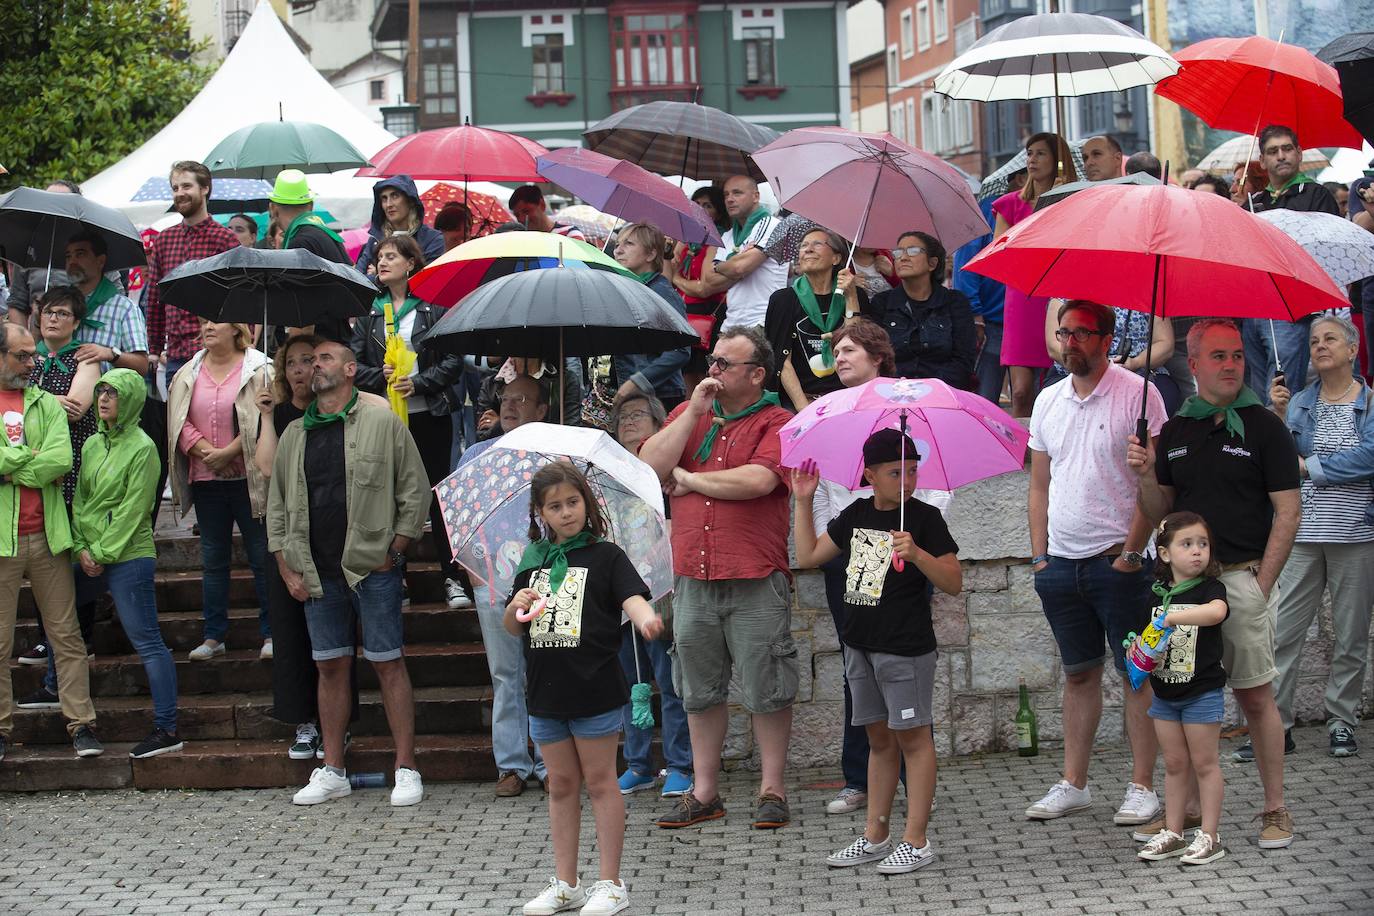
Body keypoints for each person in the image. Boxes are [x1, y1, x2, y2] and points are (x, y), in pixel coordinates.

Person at [1128, 318, 1300, 850]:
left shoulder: (1265, 426)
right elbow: (1161, 513)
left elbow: (1288, 511)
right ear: (1194, 363)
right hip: (1183, 593)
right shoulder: (1176, 430)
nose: (1231, 365)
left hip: (1241, 580)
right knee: (1182, 696)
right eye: (1218, 357)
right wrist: (1143, 472)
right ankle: (1186, 814)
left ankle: (1274, 809)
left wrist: (1262, 584)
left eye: (1236, 356)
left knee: (1255, 698)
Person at [639, 327, 797, 830]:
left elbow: (758, 481)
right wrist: (691, 411)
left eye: (725, 364)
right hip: (693, 576)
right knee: (698, 690)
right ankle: (705, 791)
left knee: (767, 684)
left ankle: (772, 788)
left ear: (757, 374)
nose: (713, 371)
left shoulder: (777, 420)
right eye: (712, 361)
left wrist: (686, 480)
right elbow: (648, 465)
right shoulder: (689, 416)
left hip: (753, 573)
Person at [794, 427, 960, 875]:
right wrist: (802, 500)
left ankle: (916, 839)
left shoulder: (924, 519)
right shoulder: (855, 514)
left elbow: (953, 581)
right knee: (878, 741)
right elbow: (809, 554)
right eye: (894, 472)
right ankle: (875, 834)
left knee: (914, 739)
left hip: (904, 648)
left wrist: (920, 555)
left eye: (912, 470)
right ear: (869, 474)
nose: (906, 480)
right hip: (860, 644)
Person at [270, 340, 429, 808]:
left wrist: (397, 549)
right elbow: (277, 506)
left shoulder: (381, 420)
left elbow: (414, 488)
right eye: (307, 361)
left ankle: (407, 767)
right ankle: (334, 768)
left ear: (349, 368)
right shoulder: (295, 433)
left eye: (322, 358)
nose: (312, 366)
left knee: (387, 662)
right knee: (329, 665)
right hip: (317, 572)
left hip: (371, 569)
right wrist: (285, 566)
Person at [1025, 300, 1166, 827]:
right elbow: (1039, 484)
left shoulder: (1141, 394)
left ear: (1108, 339)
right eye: (1065, 333)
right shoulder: (1046, 400)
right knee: (1078, 675)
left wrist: (1133, 552)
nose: (1071, 342)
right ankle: (1074, 783)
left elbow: (1152, 489)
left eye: (1083, 333)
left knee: (1137, 675)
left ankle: (1142, 786)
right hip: (1061, 562)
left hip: (1120, 562)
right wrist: (1039, 556)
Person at [506, 462, 664, 916]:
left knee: (599, 783)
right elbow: (512, 628)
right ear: (540, 511)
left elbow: (631, 596)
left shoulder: (606, 555)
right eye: (555, 506)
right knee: (560, 786)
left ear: (586, 503)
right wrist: (515, 604)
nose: (566, 512)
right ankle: (566, 884)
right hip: (545, 692)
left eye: (572, 502)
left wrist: (644, 618)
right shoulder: (532, 560)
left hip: (594, 688)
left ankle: (612, 883)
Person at [254, 336, 382, 758]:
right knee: (294, 639)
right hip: (292, 541)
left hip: (337, 547)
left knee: (339, 646)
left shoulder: (345, 409)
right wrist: (267, 418)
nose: (302, 368)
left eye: (311, 360)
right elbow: (268, 468)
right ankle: (306, 724)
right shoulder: (284, 416)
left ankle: (339, 727)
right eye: (293, 362)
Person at [1268, 315, 1373, 759]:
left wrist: (1311, 467)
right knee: (1283, 634)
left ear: (1352, 350)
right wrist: (1276, 418)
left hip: (1356, 535)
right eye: (1313, 340)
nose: (1319, 345)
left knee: (1350, 637)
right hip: (1304, 534)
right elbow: (1278, 460)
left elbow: (1369, 456)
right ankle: (1277, 726)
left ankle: (1342, 721)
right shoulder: (1299, 403)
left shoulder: (1369, 404)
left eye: (1330, 339)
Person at [350, 235, 469, 611]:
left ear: (410, 264)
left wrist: (417, 382)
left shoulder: (432, 309)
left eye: (390, 257)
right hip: (387, 419)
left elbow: (452, 362)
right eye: (378, 257)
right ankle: (394, 578)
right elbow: (355, 365)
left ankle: (453, 578)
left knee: (436, 496)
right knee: (388, 499)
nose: (381, 263)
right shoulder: (370, 312)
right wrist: (378, 374)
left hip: (429, 415)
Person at [0, 322, 102, 761]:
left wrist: (9, 468)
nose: (32, 363)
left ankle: (82, 725)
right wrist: (33, 460)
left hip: (47, 534)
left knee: (67, 636)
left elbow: (62, 459)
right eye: (22, 355)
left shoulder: (43, 402)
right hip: (1, 542)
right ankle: (1, 731)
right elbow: (45, 462)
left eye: (32, 355)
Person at [72, 369, 183, 759]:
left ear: (132, 399)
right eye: (100, 391)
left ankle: (167, 727)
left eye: (113, 393)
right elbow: (82, 500)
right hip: (91, 552)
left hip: (130, 556)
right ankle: (62, 702)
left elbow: (135, 510)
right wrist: (83, 546)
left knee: (147, 641)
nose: (103, 398)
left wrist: (99, 552)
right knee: (64, 634)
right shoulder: (90, 445)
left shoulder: (142, 447)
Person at [460, 371, 553, 796]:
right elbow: (461, 515)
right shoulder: (478, 454)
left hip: (548, 573)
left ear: (542, 409)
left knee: (548, 668)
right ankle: (511, 764)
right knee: (505, 672)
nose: (511, 405)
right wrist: (473, 568)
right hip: (493, 574)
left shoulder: (555, 455)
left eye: (523, 398)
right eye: (507, 398)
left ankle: (552, 761)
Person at [12, 287, 103, 686]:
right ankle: (46, 640)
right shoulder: (28, 359)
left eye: (63, 313)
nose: (54, 319)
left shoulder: (83, 357)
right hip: (36, 468)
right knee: (44, 559)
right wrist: (52, 404)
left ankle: (76, 641)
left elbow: (76, 408)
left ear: (76, 321)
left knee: (68, 559)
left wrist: (38, 407)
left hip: (72, 467)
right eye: (48, 311)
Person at [142, 161, 241, 527]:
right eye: (175, 188)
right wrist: (153, 350)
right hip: (177, 352)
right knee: (184, 433)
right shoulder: (164, 240)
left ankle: (224, 507)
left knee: (222, 425)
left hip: (220, 351)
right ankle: (198, 506)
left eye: (187, 186)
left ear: (205, 190)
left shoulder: (225, 239)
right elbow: (155, 299)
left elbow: (236, 299)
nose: (180, 193)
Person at [169, 321, 273, 660]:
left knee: (261, 556)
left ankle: (271, 632)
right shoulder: (187, 372)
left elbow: (262, 418)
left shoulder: (260, 367)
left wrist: (230, 451)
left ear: (236, 329)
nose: (208, 327)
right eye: (204, 322)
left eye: (216, 322)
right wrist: (204, 452)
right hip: (206, 479)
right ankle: (214, 635)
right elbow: (178, 417)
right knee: (213, 559)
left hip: (249, 477)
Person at [607, 392, 693, 799]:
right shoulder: (604, 477)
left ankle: (679, 764)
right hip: (619, 593)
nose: (628, 421)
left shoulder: (666, 475)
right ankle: (638, 764)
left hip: (662, 590)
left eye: (639, 414)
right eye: (622, 416)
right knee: (629, 682)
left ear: (660, 425)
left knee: (670, 680)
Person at [1135, 512, 1230, 866]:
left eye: (1202, 544)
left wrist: (1174, 617)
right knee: (1175, 764)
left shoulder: (1210, 589)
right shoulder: (1157, 594)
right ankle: (1174, 832)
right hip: (1164, 695)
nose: (1196, 552)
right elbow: (1147, 638)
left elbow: (1217, 613)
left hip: (1202, 693)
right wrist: (1138, 651)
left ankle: (1210, 835)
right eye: (1186, 544)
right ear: (1164, 554)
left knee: (1205, 764)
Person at [1244, 126, 1341, 406]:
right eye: (1273, 151)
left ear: (1299, 154)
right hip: (1254, 307)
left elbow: (1325, 251)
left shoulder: (1316, 194)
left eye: (1287, 149)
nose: (1281, 156)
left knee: (1283, 394)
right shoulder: (1254, 202)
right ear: (1262, 160)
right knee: (1257, 395)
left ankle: (1284, 449)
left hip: (1293, 309)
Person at [993, 133, 1078, 417]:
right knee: (1020, 391)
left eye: (1041, 153)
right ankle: (1022, 454)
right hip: (1022, 294)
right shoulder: (1009, 204)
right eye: (1029, 153)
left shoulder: (1073, 199)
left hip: (1058, 291)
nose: (1032, 159)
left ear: (1058, 160)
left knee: (1054, 385)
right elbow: (999, 252)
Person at [764, 227, 868, 410]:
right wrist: (804, 409)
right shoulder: (783, 299)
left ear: (836, 258)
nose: (807, 249)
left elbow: (856, 346)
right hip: (799, 400)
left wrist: (851, 297)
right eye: (803, 245)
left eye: (817, 244)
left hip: (847, 398)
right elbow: (781, 359)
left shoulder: (856, 295)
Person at [668, 175, 787, 331]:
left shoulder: (772, 225)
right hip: (730, 324)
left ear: (756, 196)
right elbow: (709, 280)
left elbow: (739, 268)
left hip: (762, 321)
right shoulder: (728, 235)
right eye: (726, 194)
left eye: (737, 193)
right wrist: (735, 265)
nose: (730, 199)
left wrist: (719, 266)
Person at [870, 231, 977, 390]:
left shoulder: (955, 302)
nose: (903, 257)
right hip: (892, 393)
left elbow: (963, 359)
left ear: (932, 263)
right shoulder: (882, 303)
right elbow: (875, 357)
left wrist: (929, 390)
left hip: (943, 393)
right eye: (898, 252)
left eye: (913, 251)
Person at [5, 180, 121, 325]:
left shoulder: (93, 250)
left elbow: (115, 297)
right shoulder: (31, 250)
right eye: (49, 202)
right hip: (39, 341)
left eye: (62, 204)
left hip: (84, 338)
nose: (55, 208)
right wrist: (22, 342)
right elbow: (17, 303)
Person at [1042, 302, 1179, 414]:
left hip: (1138, 370)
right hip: (1075, 370)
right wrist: (1094, 365)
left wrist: (1135, 362)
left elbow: (1165, 343)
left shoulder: (1148, 293)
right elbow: (1054, 347)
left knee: (1161, 399)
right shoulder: (1064, 294)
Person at [268, 170, 352, 345]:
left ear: (273, 208)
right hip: (336, 345)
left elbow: (303, 314)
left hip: (316, 350)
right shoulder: (326, 236)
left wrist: (290, 356)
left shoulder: (301, 243)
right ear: (311, 205)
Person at [612, 222, 690, 410]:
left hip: (659, 396)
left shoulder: (662, 294)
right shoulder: (625, 288)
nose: (618, 251)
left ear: (651, 254)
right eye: (617, 245)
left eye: (628, 244)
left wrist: (638, 382)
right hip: (625, 391)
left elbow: (680, 350)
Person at [63, 230, 150, 376]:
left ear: (100, 261)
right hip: (60, 396)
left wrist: (110, 354)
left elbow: (142, 365)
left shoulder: (124, 308)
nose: (72, 262)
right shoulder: (58, 306)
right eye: (68, 256)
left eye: (80, 254)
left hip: (107, 395)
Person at [356, 175, 446, 275]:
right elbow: (358, 279)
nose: (389, 204)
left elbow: (428, 281)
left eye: (395, 196)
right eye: (384, 198)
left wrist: (379, 275)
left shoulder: (432, 240)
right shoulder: (375, 240)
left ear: (410, 201)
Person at [507, 185, 586, 241]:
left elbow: (579, 263)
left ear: (542, 205)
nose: (521, 218)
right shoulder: (519, 240)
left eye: (526, 211)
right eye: (517, 215)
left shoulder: (570, 234)